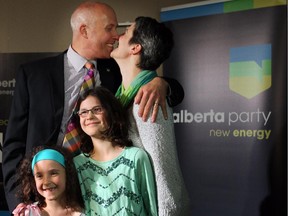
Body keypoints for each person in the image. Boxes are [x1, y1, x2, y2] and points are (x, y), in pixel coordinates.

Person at [2, 1, 184, 212]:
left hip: (100, 192)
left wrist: (163, 83)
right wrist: (19, 201)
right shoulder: (33, 74)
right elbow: (13, 144)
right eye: (110, 28)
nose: (116, 36)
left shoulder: (118, 71)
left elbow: (167, 86)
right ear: (84, 30)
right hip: (44, 197)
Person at [110, 16, 191, 215]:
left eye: (126, 32)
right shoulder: (122, 94)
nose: (118, 36)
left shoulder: (148, 100)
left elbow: (164, 169)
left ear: (135, 47)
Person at [73, 87, 158, 215]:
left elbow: (151, 208)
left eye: (97, 110)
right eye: (83, 112)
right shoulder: (77, 164)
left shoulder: (136, 157)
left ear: (111, 113)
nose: (89, 116)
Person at [12, 146, 84, 216]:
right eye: (39, 176)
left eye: (53, 173)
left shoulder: (84, 212)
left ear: (67, 174)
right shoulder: (27, 213)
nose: (46, 182)